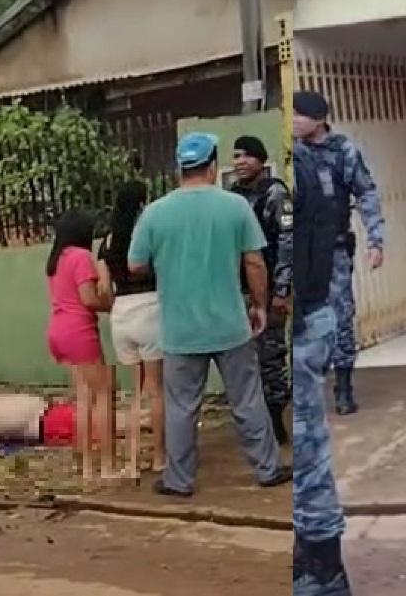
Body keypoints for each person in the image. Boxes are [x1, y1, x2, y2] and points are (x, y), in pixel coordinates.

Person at [128, 132, 291, 497]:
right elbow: (254, 262)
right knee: (247, 398)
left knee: (182, 407)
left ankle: (179, 480)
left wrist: (169, 259)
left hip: (180, 330)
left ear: (179, 168)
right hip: (230, 324)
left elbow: (135, 264)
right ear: (213, 165)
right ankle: (267, 469)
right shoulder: (234, 207)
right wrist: (260, 307)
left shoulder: (156, 212)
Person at [292, 91, 385, 416]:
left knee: (341, 316)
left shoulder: (343, 151)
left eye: (299, 116)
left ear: (317, 120)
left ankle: (343, 385)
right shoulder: (294, 154)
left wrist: (376, 240)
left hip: (333, 252)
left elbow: (366, 192)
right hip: (301, 253)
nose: (293, 122)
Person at [291, 139, 353, 595]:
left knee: (308, 459)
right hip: (312, 317)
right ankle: (320, 567)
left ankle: (323, 573)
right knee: (310, 455)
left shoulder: (304, 168)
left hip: (304, 321)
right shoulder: (311, 163)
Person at [228, 135, 293, 445]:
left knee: (270, 357)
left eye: (246, 156)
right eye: (235, 156)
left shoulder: (275, 193)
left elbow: (287, 242)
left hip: (267, 291)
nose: (239, 162)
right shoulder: (233, 197)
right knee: (243, 360)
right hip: (238, 291)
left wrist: (281, 290)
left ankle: (277, 420)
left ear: (260, 160)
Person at [100, 181, 165, 472]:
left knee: (136, 391)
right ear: (141, 204)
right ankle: (160, 456)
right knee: (156, 390)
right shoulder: (147, 233)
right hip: (149, 308)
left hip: (121, 314)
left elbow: (104, 287)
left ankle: (133, 459)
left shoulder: (108, 240)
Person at [45, 211, 114, 473]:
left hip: (58, 331)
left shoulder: (56, 260)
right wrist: (109, 302)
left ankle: (86, 463)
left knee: (84, 396)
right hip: (79, 331)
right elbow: (89, 299)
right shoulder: (81, 257)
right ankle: (106, 464)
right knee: (104, 394)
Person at [0, 392, 133, 459]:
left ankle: (161, 419)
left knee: (118, 419)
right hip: (47, 424)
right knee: (120, 422)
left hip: (49, 414)